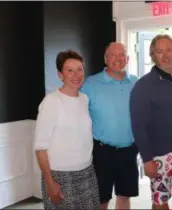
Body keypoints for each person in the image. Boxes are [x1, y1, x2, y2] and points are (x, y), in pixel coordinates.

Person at [130, 34, 172, 210]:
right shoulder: (143, 85)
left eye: (169, 50)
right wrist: (146, 159)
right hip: (159, 154)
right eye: (159, 51)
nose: (165, 55)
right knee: (160, 201)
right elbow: (138, 125)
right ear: (153, 55)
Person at [34, 50, 100, 209]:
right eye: (69, 70)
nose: (76, 75)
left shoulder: (84, 99)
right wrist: (50, 182)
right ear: (60, 74)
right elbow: (40, 148)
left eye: (79, 69)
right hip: (60, 176)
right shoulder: (51, 102)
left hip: (87, 172)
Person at [81, 42, 139, 210]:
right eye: (113, 55)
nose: (118, 59)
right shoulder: (90, 84)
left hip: (129, 150)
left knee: (124, 195)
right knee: (101, 198)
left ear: (127, 59)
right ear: (106, 59)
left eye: (122, 55)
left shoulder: (136, 83)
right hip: (102, 152)